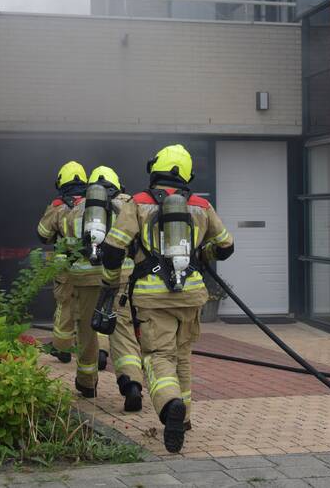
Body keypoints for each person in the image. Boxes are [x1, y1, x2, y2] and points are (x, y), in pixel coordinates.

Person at [97, 144, 234, 452]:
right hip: (191, 295)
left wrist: (110, 283)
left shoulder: (138, 203)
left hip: (152, 297)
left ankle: (170, 404)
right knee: (182, 355)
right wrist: (203, 255)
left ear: (154, 169)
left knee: (159, 356)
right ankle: (184, 418)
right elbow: (226, 247)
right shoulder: (201, 205)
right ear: (187, 174)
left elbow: (113, 249)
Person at [87, 165, 144, 412]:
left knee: (93, 322)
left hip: (94, 275)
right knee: (126, 330)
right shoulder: (131, 204)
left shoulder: (85, 207)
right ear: (118, 185)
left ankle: (96, 364)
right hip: (128, 275)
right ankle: (132, 384)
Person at [36, 161, 85, 365]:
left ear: (61, 182)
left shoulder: (58, 206)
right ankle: (101, 351)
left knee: (65, 306)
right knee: (92, 307)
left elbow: (43, 234)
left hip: (66, 267)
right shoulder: (95, 204)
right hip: (92, 266)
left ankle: (62, 349)